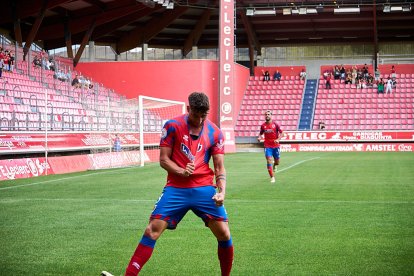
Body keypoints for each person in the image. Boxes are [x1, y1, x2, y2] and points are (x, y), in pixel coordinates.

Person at [123, 92, 233, 276]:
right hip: (176, 188)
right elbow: (163, 160)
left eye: (203, 116)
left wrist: (222, 192)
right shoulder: (172, 126)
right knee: (151, 231)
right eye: (195, 115)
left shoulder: (215, 132)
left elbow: (220, 167)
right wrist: (181, 171)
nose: (199, 120)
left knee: (224, 234)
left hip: (204, 188)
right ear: (188, 108)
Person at [257, 110, 285, 183]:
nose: (267, 115)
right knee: (269, 160)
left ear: (271, 115)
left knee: (277, 162)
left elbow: (283, 133)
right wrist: (259, 137)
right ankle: (272, 177)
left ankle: (275, 165)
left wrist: (278, 139)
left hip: (276, 146)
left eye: (268, 114)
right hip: (267, 146)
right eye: (266, 114)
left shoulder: (275, 124)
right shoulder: (263, 126)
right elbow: (260, 134)